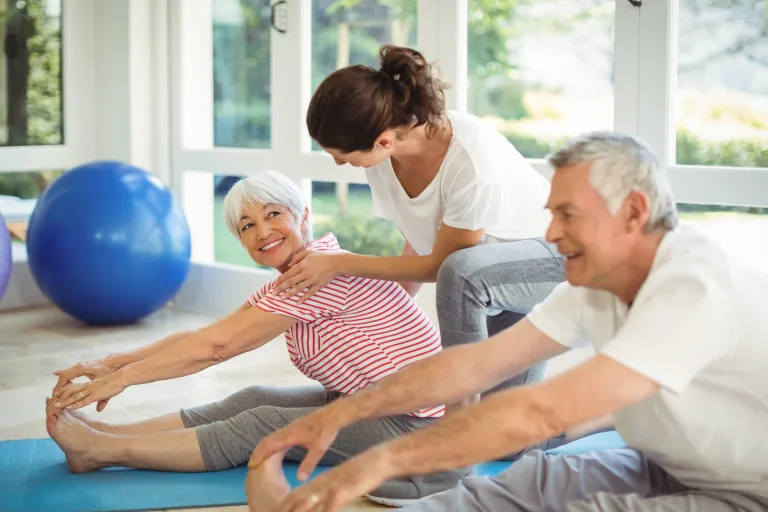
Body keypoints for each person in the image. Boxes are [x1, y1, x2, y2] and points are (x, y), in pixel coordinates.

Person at [245, 132, 768, 512]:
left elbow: (541, 412)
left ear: (633, 212)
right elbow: (474, 366)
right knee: (526, 481)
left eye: (567, 215)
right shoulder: (598, 283)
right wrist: (342, 413)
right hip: (663, 466)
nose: (551, 233)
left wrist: (380, 461)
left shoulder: (692, 287)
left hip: (749, 495)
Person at [45, 170, 469, 502]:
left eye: (273, 214)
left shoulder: (318, 274)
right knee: (253, 398)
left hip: (413, 423)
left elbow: (218, 348)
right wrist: (112, 364)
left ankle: (101, 452)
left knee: (259, 426)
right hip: (366, 404)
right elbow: (209, 333)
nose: (262, 231)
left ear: (303, 215)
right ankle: (109, 434)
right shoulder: (298, 274)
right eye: (247, 225)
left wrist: (122, 381)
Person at [271, 44, 567, 453]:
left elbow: (445, 266)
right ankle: (600, 412)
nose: (339, 164)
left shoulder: (472, 162)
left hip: (551, 257)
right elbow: (420, 240)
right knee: (508, 439)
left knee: (461, 273)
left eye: (343, 156)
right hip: (486, 279)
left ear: (382, 140)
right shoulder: (384, 158)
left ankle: (457, 424)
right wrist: (383, 318)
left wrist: (338, 263)